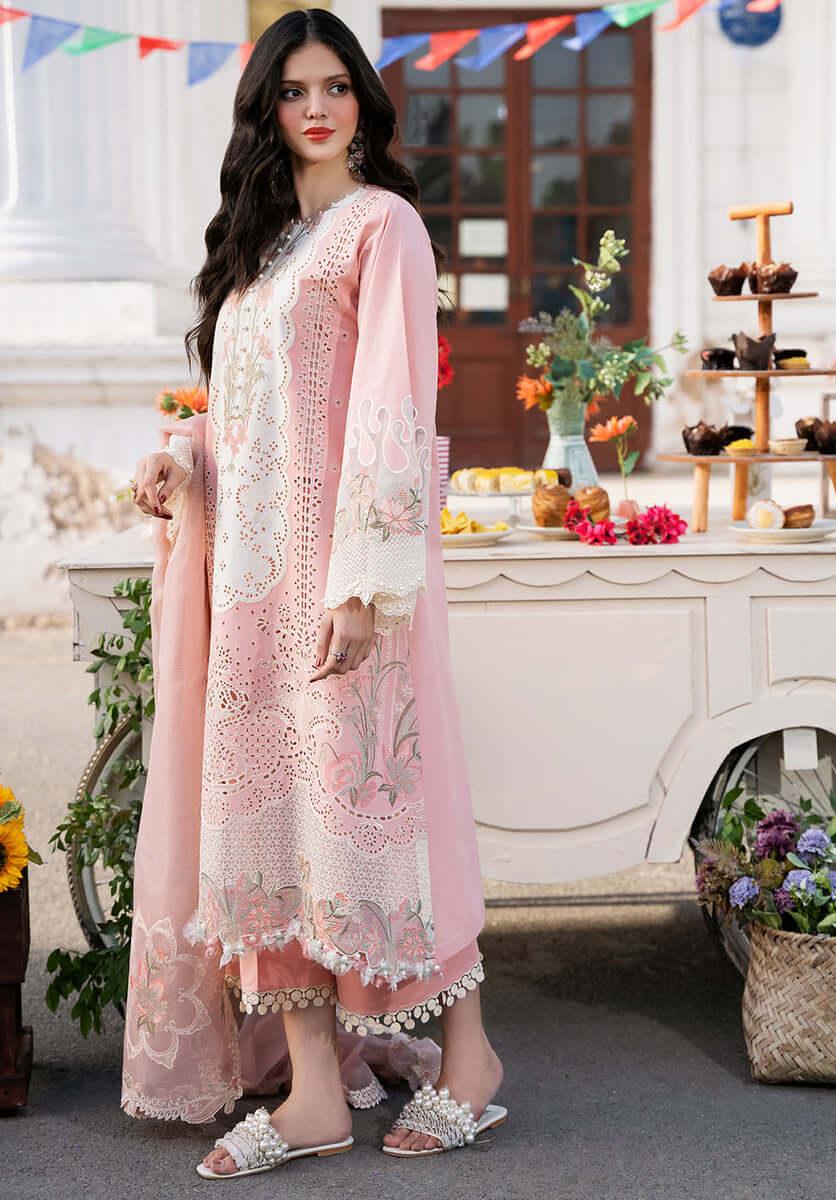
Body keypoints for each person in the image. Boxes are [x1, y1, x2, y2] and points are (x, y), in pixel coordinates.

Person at [123, 7, 505, 1178]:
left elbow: (391, 408)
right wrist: (182, 461)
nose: (319, 107)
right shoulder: (262, 251)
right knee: (273, 838)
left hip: (347, 589)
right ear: (267, 111)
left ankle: (473, 1062)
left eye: (337, 84)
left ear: (365, 102)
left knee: (383, 820)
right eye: (294, 91)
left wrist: (362, 585)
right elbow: (250, 426)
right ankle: (316, 1095)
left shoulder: (380, 227)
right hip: (249, 599)